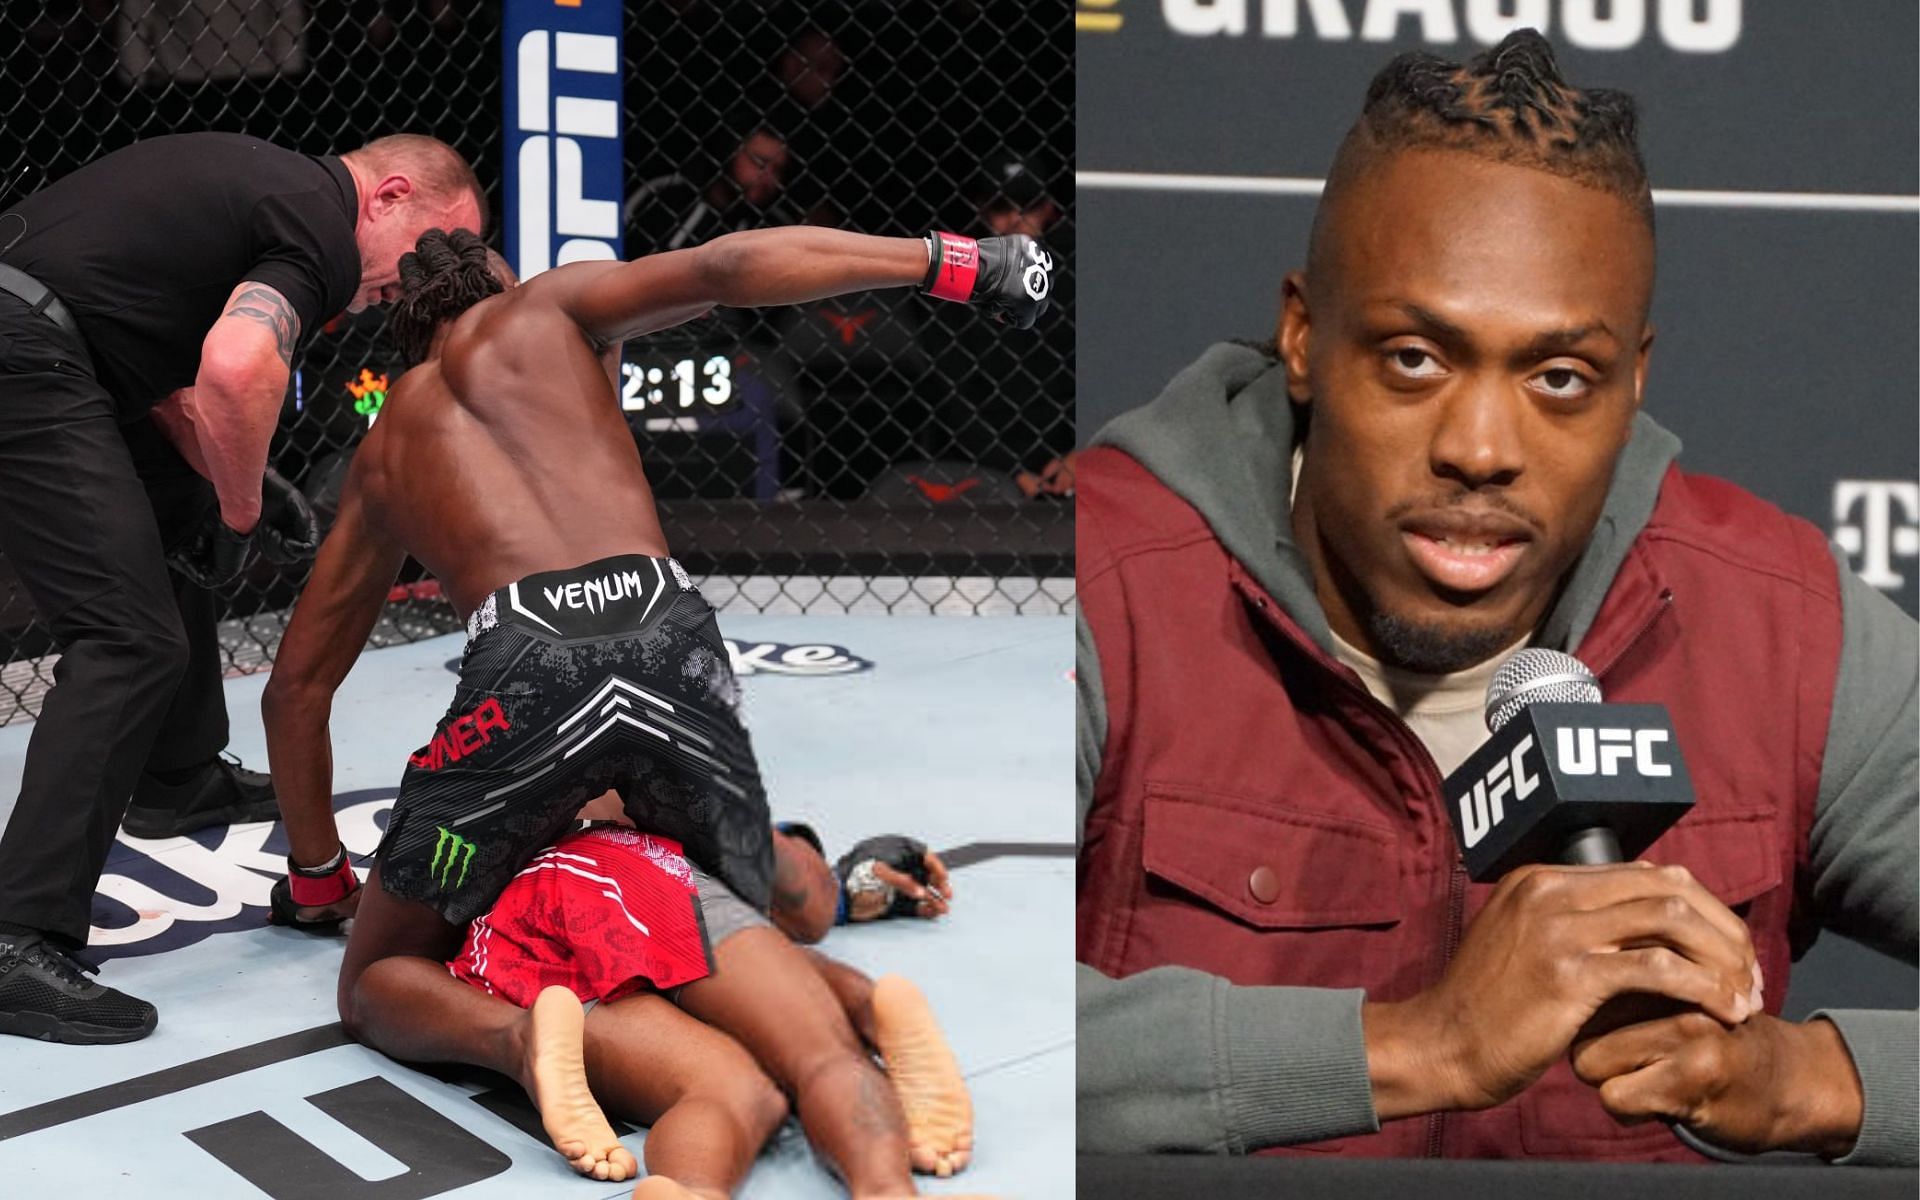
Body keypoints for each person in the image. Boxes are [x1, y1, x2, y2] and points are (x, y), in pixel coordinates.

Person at [1076, 30, 1916, 1165]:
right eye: (1416, 359)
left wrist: (1819, 1077)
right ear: (1305, 338)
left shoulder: (1780, 628)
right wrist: (1421, 1046)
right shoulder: (1105, 582)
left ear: (1634, 383)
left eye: (1560, 379)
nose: (1481, 449)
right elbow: (933, 1032)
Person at [260, 222, 1051, 1193]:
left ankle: (519, 1043)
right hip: (666, 630)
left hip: (529, 670)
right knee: (739, 893)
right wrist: (953, 264)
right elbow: (727, 269)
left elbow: (297, 687)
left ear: (405, 340)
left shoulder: (387, 453)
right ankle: (832, 928)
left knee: (377, 980)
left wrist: (316, 879)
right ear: (501, 286)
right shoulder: (550, 311)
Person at [0, 130, 484, 1044]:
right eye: (428, 242)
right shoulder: (319, 228)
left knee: (173, 507)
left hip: (55, 349)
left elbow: (170, 386)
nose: (416, 277)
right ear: (386, 196)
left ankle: (177, 778)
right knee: (129, 639)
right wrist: (240, 510)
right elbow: (232, 371)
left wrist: (227, 497)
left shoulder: (261, 188)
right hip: (26, 357)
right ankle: (14, 933)